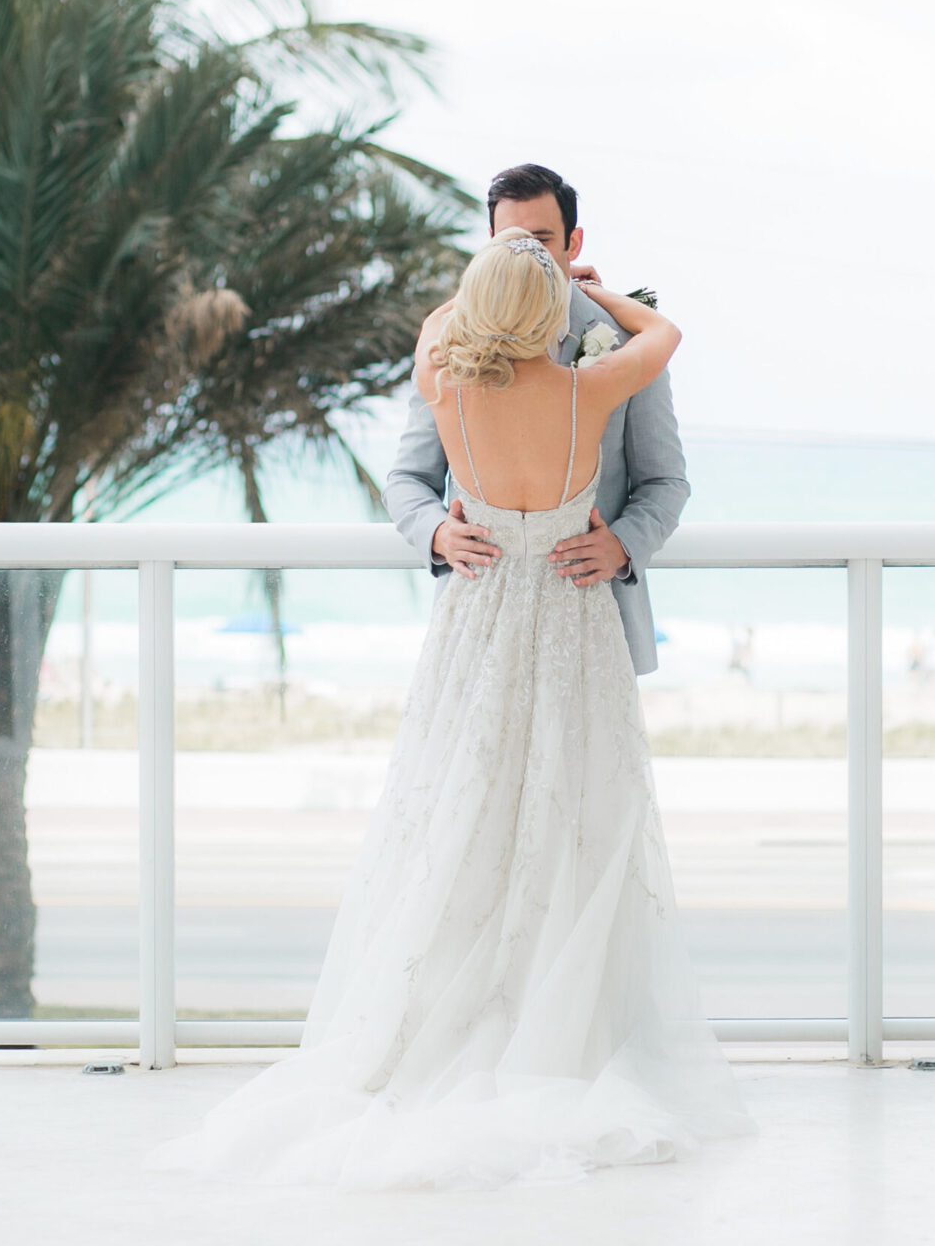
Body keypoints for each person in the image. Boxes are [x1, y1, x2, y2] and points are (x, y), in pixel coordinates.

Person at [142, 226, 755, 1191]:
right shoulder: (582, 389)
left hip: (475, 622)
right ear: (551, 312)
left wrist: (490, 289)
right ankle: (553, 1028)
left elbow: (440, 327)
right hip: (566, 618)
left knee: (461, 814)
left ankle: (438, 1027)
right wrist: (597, 293)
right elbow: (665, 334)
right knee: (571, 820)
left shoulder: (444, 379)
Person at [384, 163, 689, 675]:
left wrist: (623, 545)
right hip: (479, 626)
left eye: (541, 241)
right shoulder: (456, 354)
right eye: (508, 243)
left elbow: (665, 480)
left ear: (574, 243)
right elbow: (407, 478)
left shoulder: (618, 339)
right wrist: (436, 533)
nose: (526, 259)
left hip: (593, 623)